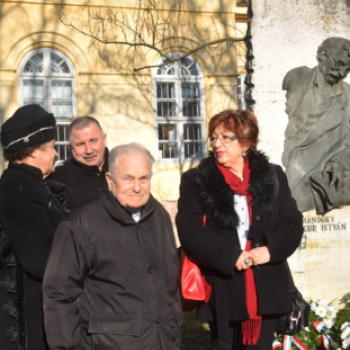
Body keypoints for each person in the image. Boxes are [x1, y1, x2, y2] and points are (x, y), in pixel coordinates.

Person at [176, 109, 303, 350]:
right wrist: (230, 256)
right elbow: (190, 230)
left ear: (246, 142)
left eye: (226, 137)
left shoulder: (272, 176)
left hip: (267, 288)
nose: (217, 144)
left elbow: (292, 223)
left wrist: (270, 250)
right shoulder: (196, 180)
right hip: (223, 285)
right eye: (214, 137)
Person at [43, 143, 182, 350]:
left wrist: (173, 331)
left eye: (143, 178)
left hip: (161, 341)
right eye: (128, 178)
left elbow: (169, 285)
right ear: (109, 180)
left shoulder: (160, 216)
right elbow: (59, 295)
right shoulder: (80, 225)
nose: (137, 187)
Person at [0, 104, 71, 350]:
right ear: (32, 151)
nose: (55, 153)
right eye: (51, 146)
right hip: (27, 325)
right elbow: (42, 258)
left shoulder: (32, 184)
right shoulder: (19, 189)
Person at [282, 37, 350, 214]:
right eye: (339, 64)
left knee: (297, 202)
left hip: (326, 167)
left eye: (347, 69)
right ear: (322, 56)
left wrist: (339, 160)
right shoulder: (296, 79)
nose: (342, 72)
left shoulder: (347, 95)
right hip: (296, 163)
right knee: (288, 203)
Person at [51, 116, 108, 207]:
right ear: (71, 147)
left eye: (93, 141)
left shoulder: (121, 168)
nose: (88, 150)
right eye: (81, 144)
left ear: (104, 140)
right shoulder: (58, 179)